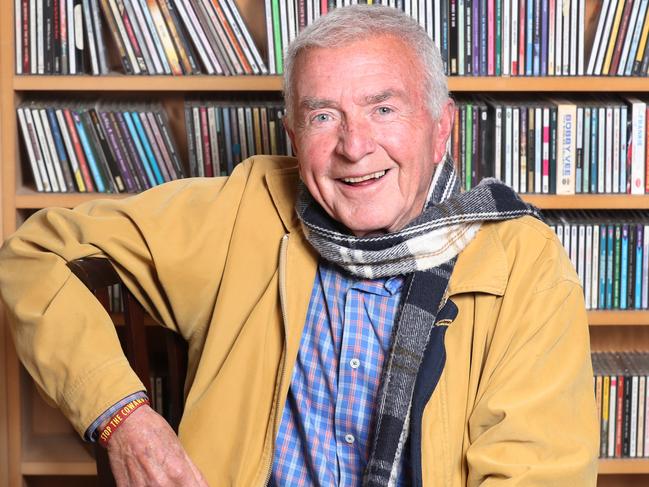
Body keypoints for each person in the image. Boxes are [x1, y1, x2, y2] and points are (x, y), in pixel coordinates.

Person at [0, 5, 598, 487]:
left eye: (382, 108)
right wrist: (122, 418)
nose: (354, 146)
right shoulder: (243, 206)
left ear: (442, 128)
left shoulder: (526, 263)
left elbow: (540, 471)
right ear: (293, 134)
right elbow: (32, 255)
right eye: (322, 117)